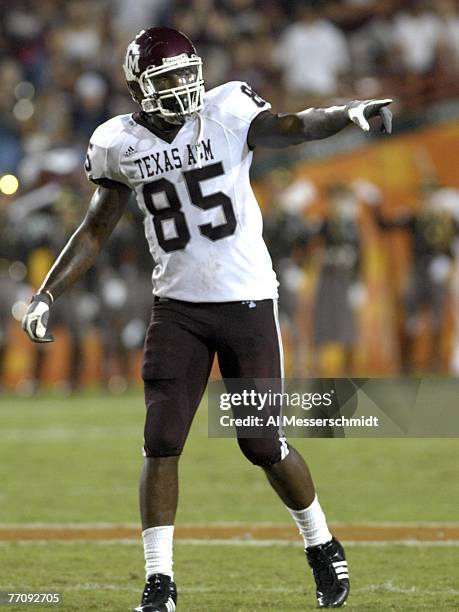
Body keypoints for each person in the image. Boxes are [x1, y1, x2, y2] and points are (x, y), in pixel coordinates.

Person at [22, 27, 392, 611]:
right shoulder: (117, 143)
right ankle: (159, 582)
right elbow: (95, 229)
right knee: (161, 441)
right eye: (167, 79)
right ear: (139, 87)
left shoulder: (226, 110)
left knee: (261, 442)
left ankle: (320, 543)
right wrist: (46, 294)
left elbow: (292, 126)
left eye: (187, 73)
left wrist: (345, 113)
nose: (183, 87)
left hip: (246, 302)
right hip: (178, 310)